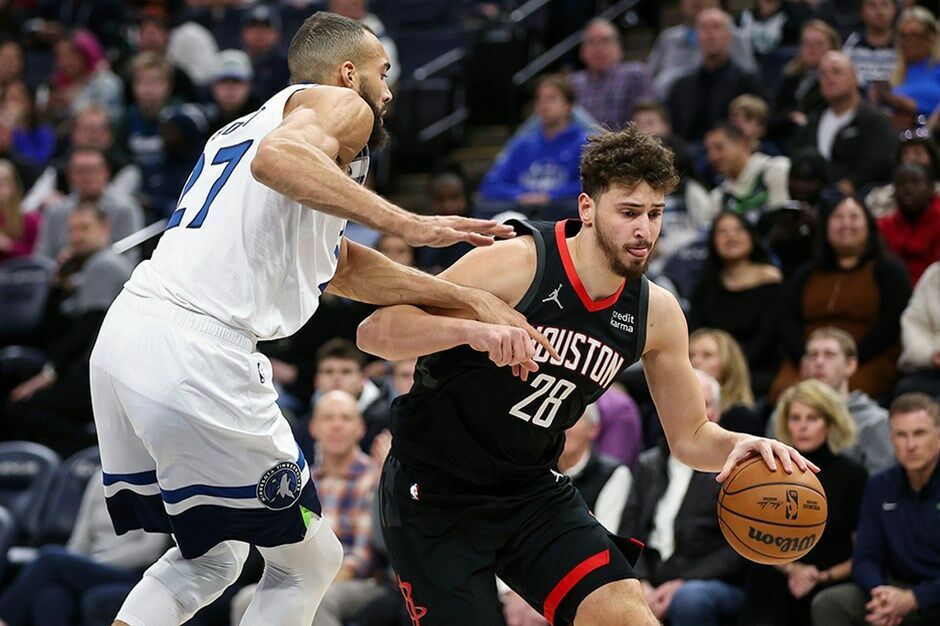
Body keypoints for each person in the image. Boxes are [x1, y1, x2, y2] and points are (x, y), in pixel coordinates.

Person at [88, 12, 544, 626]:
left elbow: (339, 266)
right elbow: (277, 160)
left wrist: (465, 297)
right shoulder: (342, 107)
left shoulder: (247, 125)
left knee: (213, 556)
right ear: (348, 73)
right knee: (309, 561)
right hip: (198, 348)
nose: (389, 91)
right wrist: (410, 223)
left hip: (128, 335)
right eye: (384, 72)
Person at [357, 125, 815, 625]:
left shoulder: (656, 313)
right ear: (588, 208)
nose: (644, 230)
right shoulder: (517, 264)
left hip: (529, 490)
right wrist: (473, 330)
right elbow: (375, 331)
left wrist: (741, 445)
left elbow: (690, 437)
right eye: (629, 212)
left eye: (655, 213)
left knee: (628, 618)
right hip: (434, 490)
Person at [231, 390, 383, 626]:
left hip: (363, 582)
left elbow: (362, 559)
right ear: (313, 428)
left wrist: (311, 581)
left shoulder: (374, 478)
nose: (336, 426)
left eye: (345, 418)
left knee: (317, 601)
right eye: (328, 418)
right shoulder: (300, 482)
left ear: (360, 428)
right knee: (246, 599)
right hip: (307, 575)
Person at [4, 204, 132, 456]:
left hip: (98, 374)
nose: (77, 237)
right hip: (85, 368)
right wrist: (57, 284)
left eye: (85, 228)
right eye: (72, 230)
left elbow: (88, 326)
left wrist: (49, 374)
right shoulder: (84, 269)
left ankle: (94, 450)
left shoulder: (104, 265)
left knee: (22, 409)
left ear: (105, 229)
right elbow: (49, 330)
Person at [744, 379, 868, 626]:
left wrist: (821, 576)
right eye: (795, 418)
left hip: (830, 576)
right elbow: (754, 538)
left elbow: (863, 552)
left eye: (812, 418)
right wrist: (793, 569)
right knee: (763, 577)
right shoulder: (770, 470)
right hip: (780, 570)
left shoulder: (853, 475)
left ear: (830, 422)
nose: (802, 426)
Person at [810, 393, 940, 626]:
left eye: (919, 433)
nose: (910, 445)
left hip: (934, 591)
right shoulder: (880, 485)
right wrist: (879, 592)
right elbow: (866, 555)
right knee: (830, 603)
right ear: (891, 439)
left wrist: (915, 598)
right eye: (901, 435)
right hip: (894, 587)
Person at [774, 195, 912, 400]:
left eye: (854, 217)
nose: (846, 224)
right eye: (838, 217)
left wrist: (847, 358)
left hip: (865, 358)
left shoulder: (888, 270)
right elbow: (788, 319)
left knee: (847, 393)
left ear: (869, 225)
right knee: (784, 393)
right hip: (809, 357)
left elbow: (891, 323)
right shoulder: (807, 272)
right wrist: (805, 356)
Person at [0, 471, 169, 626]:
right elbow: (80, 537)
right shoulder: (99, 477)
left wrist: (91, 563)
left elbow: (150, 550)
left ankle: (5, 618)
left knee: (49, 558)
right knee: (52, 596)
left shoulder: (156, 478)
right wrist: (77, 564)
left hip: (134, 572)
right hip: (91, 565)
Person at [689, 211, 783, 397]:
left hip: (757, 368)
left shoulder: (770, 279)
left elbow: (768, 336)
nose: (731, 237)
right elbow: (697, 331)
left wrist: (729, 364)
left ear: (751, 236)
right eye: (723, 232)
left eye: (739, 230)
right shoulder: (705, 284)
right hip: (708, 365)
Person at [778, 327, 895, 474]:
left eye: (829, 355)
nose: (819, 362)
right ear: (804, 365)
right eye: (813, 355)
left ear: (850, 365)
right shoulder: (781, 415)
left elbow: (882, 480)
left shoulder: (875, 421)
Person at [793, 51, 897, 197]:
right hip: (814, 197)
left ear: (855, 77)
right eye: (823, 74)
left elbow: (880, 163)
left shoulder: (875, 121)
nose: (829, 78)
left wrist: (850, 185)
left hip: (862, 197)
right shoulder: (813, 121)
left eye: (836, 71)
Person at [479, 74, 589, 210]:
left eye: (551, 98)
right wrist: (519, 195)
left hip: (564, 214)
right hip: (522, 213)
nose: (544, 104)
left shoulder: (584, 143)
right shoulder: (522, 145)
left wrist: (551, 196)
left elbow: (592, 185)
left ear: (568, 105)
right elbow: (490, 185)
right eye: (539, 99)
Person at [666, 8, 762, 142]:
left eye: (717, 27)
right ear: (696, 37)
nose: (710, 34)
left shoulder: (747, 82)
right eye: (704, 28)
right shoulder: (681, 87)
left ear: (730, 36)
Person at [35, 147, 144, 263]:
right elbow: (42, 257)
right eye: (80, 171)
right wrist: (60, 266)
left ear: (106, 172)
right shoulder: (56, 211)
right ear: (69, 175)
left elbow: (131, 257)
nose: (87, 176)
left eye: (94, 170)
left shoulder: (125, 208)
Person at [647, 0, 756, 99]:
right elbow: (650, 79)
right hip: (671, 103)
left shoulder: (734, 37)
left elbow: (748, 75)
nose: (696, 1)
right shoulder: (667, 38)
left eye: (716, 27)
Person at [569, 18, 654, 130]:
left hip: (625, 139)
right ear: (582, 51)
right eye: (591, 42)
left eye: (605, 41)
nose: (598, 48)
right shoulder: (573, 82)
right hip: (582, 140)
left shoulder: (634, 75)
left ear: (619, 47)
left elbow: (649, 118)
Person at [769, 20, 842, 146]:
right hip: (782, 138)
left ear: (832, 48)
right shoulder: (789, 76)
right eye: (806, 43)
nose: (811, 49)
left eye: (818, 44)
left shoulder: (837, 82)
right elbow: (773, 115)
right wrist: (790, 118)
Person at [704, 123, 790, 220]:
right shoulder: (718, 198)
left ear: (741, 143)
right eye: (708, 150)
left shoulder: (776, 169)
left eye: (719, 147)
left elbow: (785, 219)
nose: (712, 157)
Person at [688, 328, 763, 435]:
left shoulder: (742, 418)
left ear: (729, 364)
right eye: (691, 355)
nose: (695, 361)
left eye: (707, 355)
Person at [877, 162, 940, 285]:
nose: (908, 189)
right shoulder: (883, 226)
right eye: (901, 183)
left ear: (931, 188)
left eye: (916, 182)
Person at [876, 7, 940, 124]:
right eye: (904, 36)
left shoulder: (937, 68)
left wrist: (910, 105)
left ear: (931, 37)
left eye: (916, 35)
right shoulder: (892, 72)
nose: (910, 41)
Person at [896, 261, 940, 397]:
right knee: (906, 391)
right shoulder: (934, 274)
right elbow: (914, 323)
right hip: (932, 368)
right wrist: (930, 355)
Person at [842, 0, 898, 91]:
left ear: (894, 9)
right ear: (861, 11)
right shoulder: (853, 41)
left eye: (885, 4)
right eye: (872, 5)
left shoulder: (902, 43)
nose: (879, 11)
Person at [0, 158, 40, 261]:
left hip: (20, 269)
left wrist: (8, 246)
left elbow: (38, 256)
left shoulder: (29, 219)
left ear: (12, 186)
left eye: (1, 183)